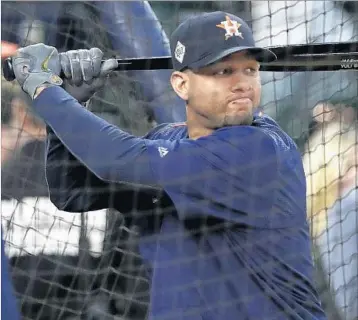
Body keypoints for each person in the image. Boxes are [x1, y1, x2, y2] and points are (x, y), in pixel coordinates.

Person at [10, 11, 327, 320]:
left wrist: (45, 90)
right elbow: (73, 192)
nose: (243, 83)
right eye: (223, 72)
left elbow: (114, 158)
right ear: (181, 84)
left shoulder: (260, 149)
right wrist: (71, 103)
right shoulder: (169, 140)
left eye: (250, 70)